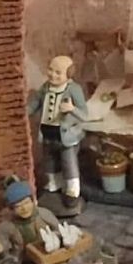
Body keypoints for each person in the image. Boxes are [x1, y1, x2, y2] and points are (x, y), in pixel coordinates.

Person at [27, 55, 88, 208]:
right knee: (49, 161)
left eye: (58, 72)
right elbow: (35, 102)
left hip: (66, 136)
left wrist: (72, 109)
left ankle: (72, 192)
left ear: (69, 74)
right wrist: (26, 112)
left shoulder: (74, 89)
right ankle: (53, 185)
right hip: (47, 131)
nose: (52, 75)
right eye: (50, 70)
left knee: (69, 163)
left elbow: (84, 115)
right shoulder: (45, 87)